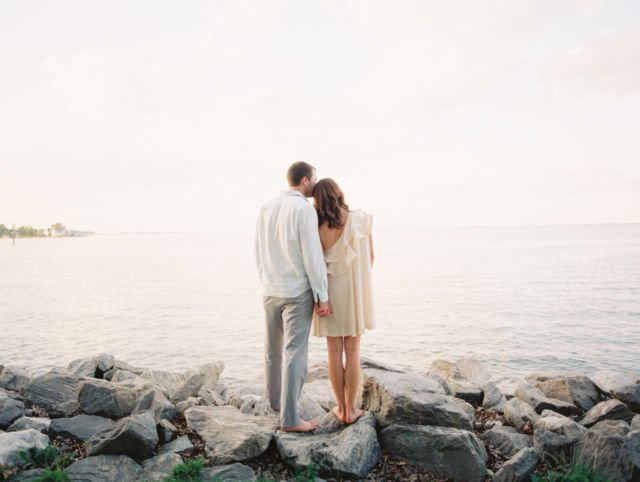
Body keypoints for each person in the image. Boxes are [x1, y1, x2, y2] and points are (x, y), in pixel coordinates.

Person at [254, 161, 332, 432]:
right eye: (313, 178)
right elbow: (313, 256)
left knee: (272, 351)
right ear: (304, 180)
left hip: (269, 288)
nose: (315, 183)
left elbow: (258, 250)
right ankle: (289, 419)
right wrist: (322, 295)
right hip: (296, 291)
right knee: (294, 354)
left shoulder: (266, 207)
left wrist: (264, 279)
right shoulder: (303, 209)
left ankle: (274, 402)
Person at [311, 178, 375, 424]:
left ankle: (341, 408)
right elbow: (370, 257)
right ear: (339, 193)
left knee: (334, 351)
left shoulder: (316, 225)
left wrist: (318, 296)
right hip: (355, 292)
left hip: (328, 292)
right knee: (354, 350)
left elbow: (315, 264)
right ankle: (352, 409)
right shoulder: (361, 218)